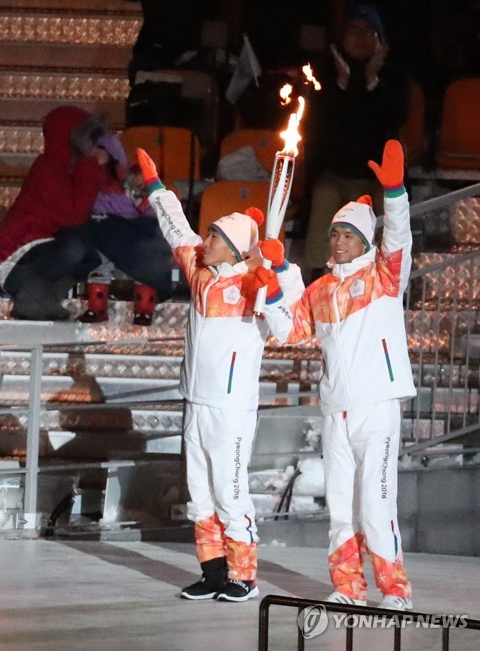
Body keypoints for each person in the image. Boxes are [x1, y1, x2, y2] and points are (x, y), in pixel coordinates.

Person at [136, 147, 303, 602]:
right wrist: (156, 189)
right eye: (208, 236)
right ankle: (212, 572)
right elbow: (176, 229)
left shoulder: (254, 285)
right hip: (196, 401)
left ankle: (243, 576)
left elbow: (291, 327)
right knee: (199, 496)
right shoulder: (200, 274)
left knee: (230, 495)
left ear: (232, 246)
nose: (203, 242)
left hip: (231, 409)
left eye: (213, 238)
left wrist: (280, 274)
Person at [255, 140, 415, 610]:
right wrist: (273, 286)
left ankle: (395, 590)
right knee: (341, 508)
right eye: (334, 234)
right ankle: (348, 586)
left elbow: (399, 238)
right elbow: (289, 331)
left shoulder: (385, 279)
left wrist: (396, 194)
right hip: (337, 412)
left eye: (347, 234)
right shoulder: (321, 289)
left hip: (376, 408)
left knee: (376, 506)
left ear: (365, 241)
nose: (338, 241)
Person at [303, 4, 410, 283]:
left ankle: (378, 274)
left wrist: (372, 80)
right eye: (354, 30)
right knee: (324, 193)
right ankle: (318, 276)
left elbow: (397, 115)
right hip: (336, 171)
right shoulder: (324, 73)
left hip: (375, 175)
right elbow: (320, 122)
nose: (361, 37)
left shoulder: (393, 76)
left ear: (380, 39)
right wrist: (343, 82)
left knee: (384, 204)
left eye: (368, 31)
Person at [0, 106, 107, 320]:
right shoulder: (47, 169)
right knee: (73, 248)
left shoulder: (67, 169)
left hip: (36, 251)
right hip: (15, 257)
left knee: (89, 251)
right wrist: (90, 164)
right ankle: (30, 299)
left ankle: (44, 299)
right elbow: (75, 214)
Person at [77, 131, 172, 326]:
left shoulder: (129, 178)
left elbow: (147, 204)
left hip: (132, 228)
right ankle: (97, 305)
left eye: (100, 150)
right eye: (90, 150)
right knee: (97, 253)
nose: (95, 155)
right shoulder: (84, 176)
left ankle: (144, 308)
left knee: (148, 250)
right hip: (102, 227)